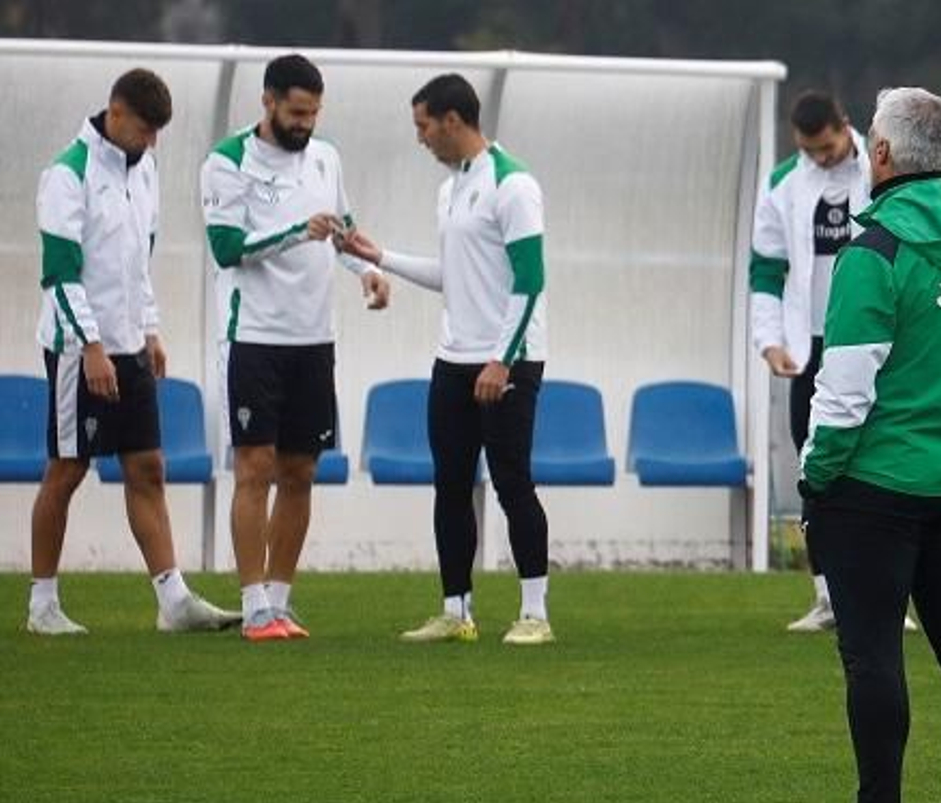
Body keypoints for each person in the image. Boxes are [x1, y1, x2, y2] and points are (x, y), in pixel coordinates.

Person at [785, 87, 941, 803]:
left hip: (874, 488)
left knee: (873, 656)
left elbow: (844, 389)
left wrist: (815, 478)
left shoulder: (875, 251)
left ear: (880, 155)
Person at [339, 74, 554, 646]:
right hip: (453, 360)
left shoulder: (513, 185)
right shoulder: (450, 189)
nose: (420, 138)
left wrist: (502, 362)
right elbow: (452, 275)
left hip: (508, 361)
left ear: (452, 120)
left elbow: (531, 282)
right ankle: (456, 611)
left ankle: (535, 613)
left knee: (512, 482)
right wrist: (377, 254)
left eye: (423, 125)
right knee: (451, 485)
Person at [27, 68, 237, 636]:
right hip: (78, 348)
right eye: (145, 129)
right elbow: (60, 274)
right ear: (115, 113)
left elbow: (137, 261)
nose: (152, 142)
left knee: (148, 466)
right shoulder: (67, 175)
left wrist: (149, 330)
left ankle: (173, 600)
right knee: (68, 468)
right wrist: (92, 346)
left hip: (128, 348)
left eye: (158, 132)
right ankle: (42, 604)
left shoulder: (142, 171)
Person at [201, 54, 390, 642]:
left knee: (302, 471)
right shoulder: (226, 162)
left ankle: (281, 601)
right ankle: (253, 602)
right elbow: (227, 248)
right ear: (268, 102)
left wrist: (366, 271)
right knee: (254, 467)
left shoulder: (326, 157)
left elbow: (342, 231)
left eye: (313, 113)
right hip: (255, 337)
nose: (305, 123)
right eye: (296, 112)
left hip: (315, 339)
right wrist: (294, 232)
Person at [751, 91, 917, 633]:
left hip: (876, 341)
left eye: (825, 147)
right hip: (813, 346)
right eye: (808, 150)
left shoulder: (886, 173)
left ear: (847, 128)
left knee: (886, 465)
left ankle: (895, 596)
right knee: (817, 471)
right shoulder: (782, 184)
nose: (819, 158)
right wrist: (769, 339)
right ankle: (827, 594)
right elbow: (766, 270)